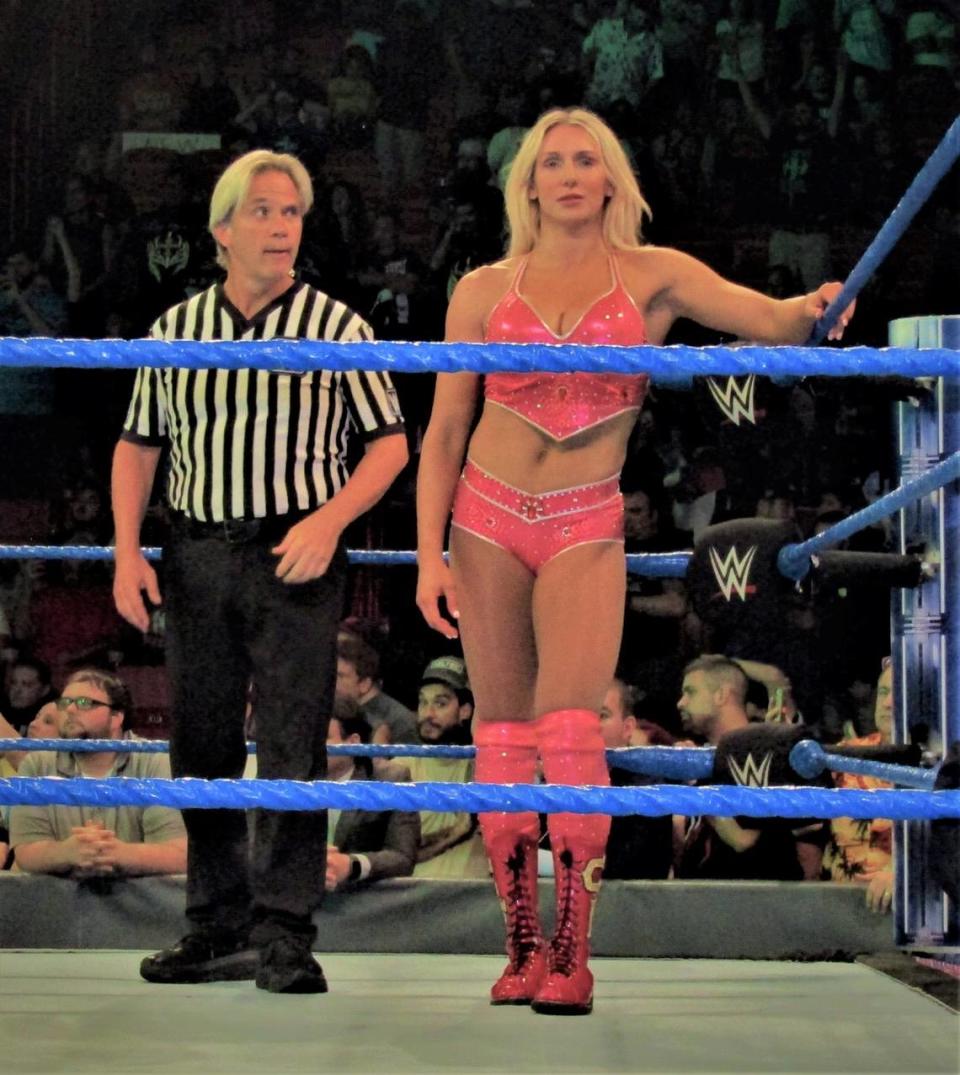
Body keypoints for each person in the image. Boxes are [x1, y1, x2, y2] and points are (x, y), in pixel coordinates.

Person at [415, 106, 852, 1015]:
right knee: (499, 737)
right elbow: (446, 426)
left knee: (568, 728)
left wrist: (818, 310)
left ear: (611, 178)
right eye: (553, 162)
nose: (571, 174)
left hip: (584, 516)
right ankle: (521, 942)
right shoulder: (482, 288)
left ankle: (573, 948)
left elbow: (771, 322)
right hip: (485, 514)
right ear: (528, 182)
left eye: (587, 159)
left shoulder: (651, 276)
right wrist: (427, 554)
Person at [112, 149, 407, 995]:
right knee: (198, 741)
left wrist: (328, 518)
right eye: (265, 212)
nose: (282, 228)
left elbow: (390, 442)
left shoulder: (339, 325)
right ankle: (215, 922)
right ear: (222, 230)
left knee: (291, 742)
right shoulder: (174, 329)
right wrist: (128, 549)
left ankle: (285, 929)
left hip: (296, 547)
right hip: (197, 547)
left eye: (292, 214)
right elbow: (139, 445)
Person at [8, 668, 187, 878]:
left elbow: (178, 854)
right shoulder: (37, 765)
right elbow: (27, 851)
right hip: (62, 905)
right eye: (65, 703)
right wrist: (67, 852)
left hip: (143, 907)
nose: (71, 710)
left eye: (84, 703)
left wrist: (114, 853)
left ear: (116, 716)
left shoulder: (156, 761)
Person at [675, 656, 827, 882]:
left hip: (762, 903)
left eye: (691, 692)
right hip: (695, 903)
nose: (681, 702)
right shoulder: (695, 764)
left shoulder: (774, 757)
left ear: (721, 695)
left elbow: (808, 855)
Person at [822, 657, 895, 913]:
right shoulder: (844, 755)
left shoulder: (944, 765)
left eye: (899, 693)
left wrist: (907, 871)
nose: (887, 703)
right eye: (884, 692)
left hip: (913, 911)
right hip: (841, 909)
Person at [324, 700, 419, 891]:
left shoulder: (391, 780)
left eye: (324, 737)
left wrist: (351, 865)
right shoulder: (291, 781)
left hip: (363, 905)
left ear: (352, 743)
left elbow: (402, 857)